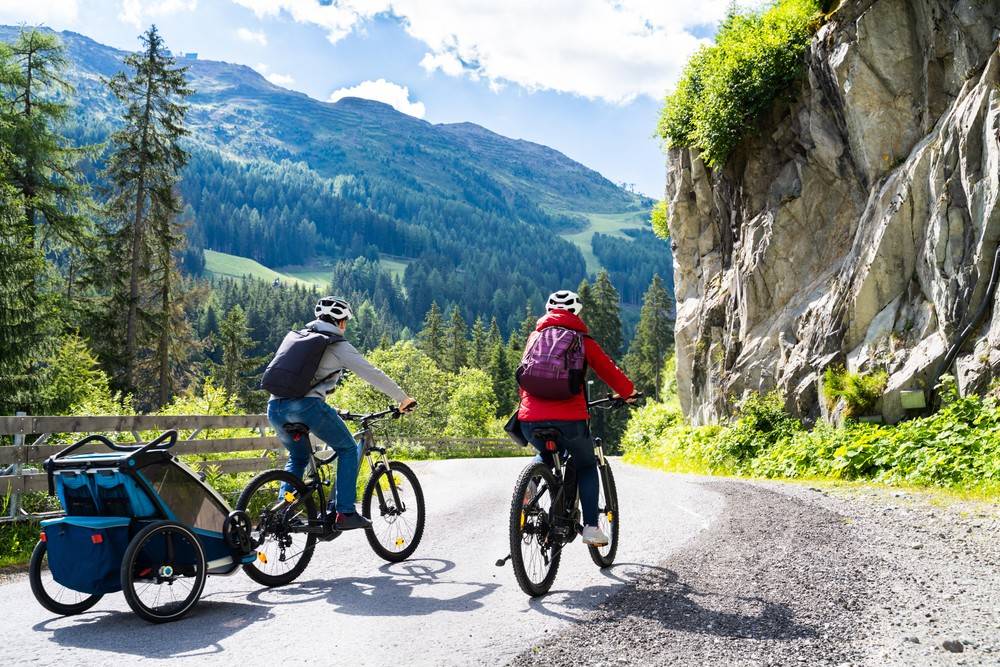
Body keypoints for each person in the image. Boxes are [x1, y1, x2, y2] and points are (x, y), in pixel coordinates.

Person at [267, 296, 416, 531]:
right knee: (347, 448)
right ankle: (344, 512)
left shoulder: (298, 337)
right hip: (306, 407)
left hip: (275, 407)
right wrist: (403, 399)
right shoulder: (336, 344)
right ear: (341, 322)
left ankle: (283, 512)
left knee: (297, 458)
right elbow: (372, 373)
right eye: (345, 320)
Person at [517, 290, 636, 546]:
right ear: (576, 312)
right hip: (569, 420)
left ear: (548, 311)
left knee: (545, 452)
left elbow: (524, 376)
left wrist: (528, 410)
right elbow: (609, 370)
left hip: (529, 419)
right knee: (585, 465)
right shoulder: (582, 340)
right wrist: (628, 393)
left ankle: (531, 484)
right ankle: (592, 528)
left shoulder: (534, 337)